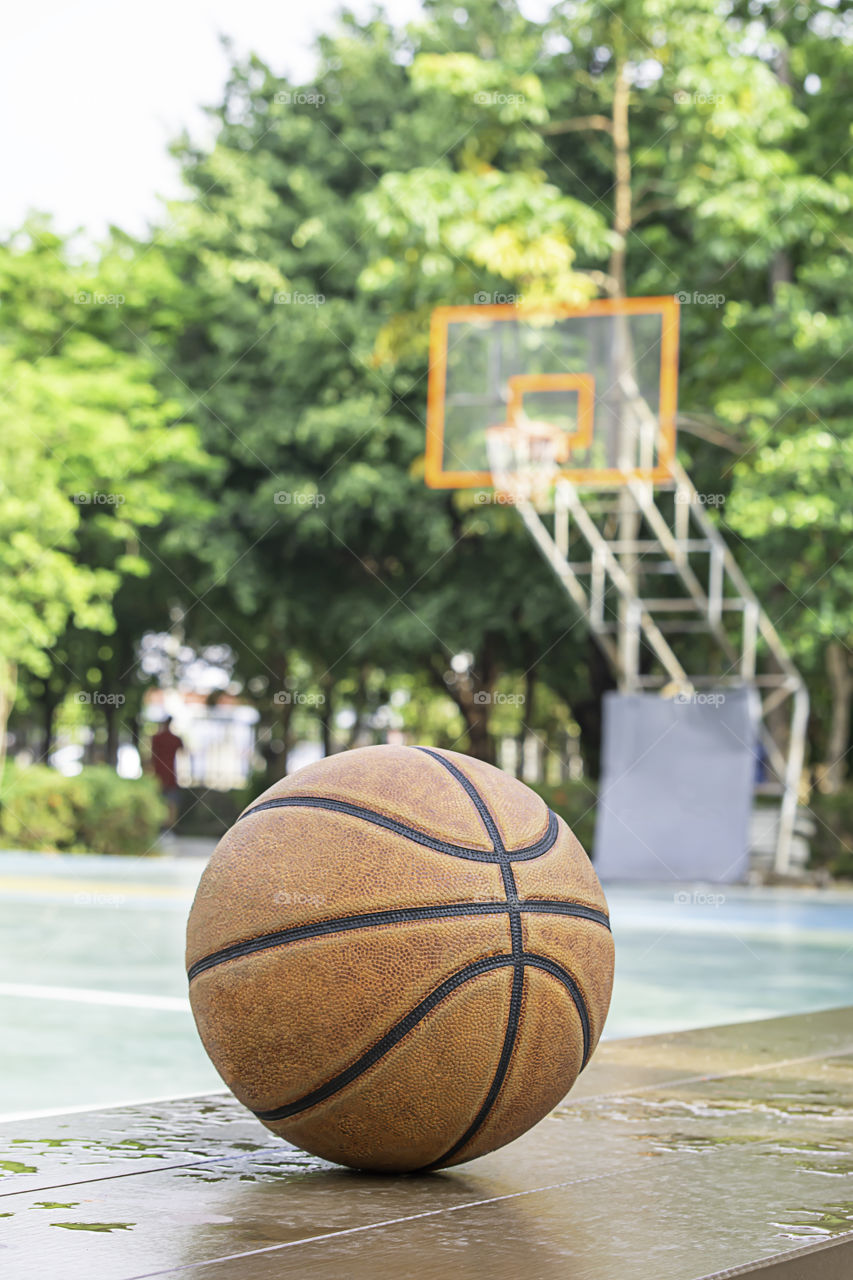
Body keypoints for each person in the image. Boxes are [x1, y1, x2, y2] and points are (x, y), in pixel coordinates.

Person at [151, 716, 184, 830]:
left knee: (161, 800)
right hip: (170, 774)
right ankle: (170, 825)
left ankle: (162, 824)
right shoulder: (174, 739)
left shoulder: (157, 738)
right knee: (172, 802)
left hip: (159, 775)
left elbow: (151, 756)